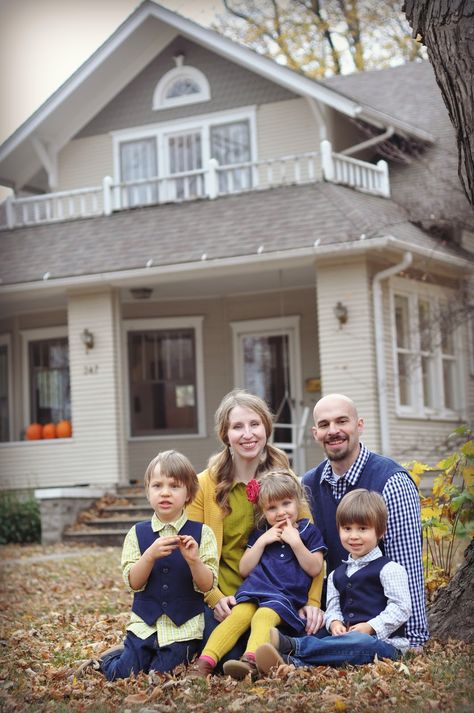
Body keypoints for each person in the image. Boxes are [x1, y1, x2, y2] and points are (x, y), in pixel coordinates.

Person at [186, 389, 325, 671]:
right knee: (226, 652)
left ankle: (267, 659)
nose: (247, 434)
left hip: (280, 594)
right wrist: (215, 598)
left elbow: (311, 544)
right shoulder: (204, 485)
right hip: (227, 595)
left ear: (266, 428)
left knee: (305, 638)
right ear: (225, 434)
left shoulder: (286, 483)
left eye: (254, 424)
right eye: (237, 427)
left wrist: (312, 601)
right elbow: (191, 552)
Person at [301, 393, 428, 649]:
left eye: (342, 421)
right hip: (336, 620)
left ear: (359, 425)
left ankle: (295, 651)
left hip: (382, 626)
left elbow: (407, 566)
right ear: (316, 433)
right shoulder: (309, 486)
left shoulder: (392, 482)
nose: (333, 431)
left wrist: (414, 639)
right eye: (324, 425)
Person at [255, 489, 412, 674]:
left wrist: (370, 627)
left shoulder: (389, 569)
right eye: (347, 529)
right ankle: (290, 663)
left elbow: (401, 608)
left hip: (384, 645)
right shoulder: (336, 573)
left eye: (363, 529)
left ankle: (293, 646)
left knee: (361, 643)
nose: (353, 536)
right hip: (344, 640)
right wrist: (335, 623)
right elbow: (333, 608)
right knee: (324, 637)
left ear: (381, 531)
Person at [190, 469, 326, 679]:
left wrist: (295, 542)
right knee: (238, 616)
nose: (280, 512)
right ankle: (204, 664)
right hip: (255, 589)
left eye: (286, 504)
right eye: (272, 508)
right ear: (263, 511)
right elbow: (245, 568)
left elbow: (315, 568)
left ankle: (251, 661)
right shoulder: (262, 532)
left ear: (298, 502)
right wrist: (262, 541)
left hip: (285, 596)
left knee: (263, 617)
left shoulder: (308, 532)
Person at [98, 450, 218, 680]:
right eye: (157, 486)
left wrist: (194, 561)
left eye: (174, 486)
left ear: (189, 494)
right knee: (123, 674)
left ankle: (142, 659)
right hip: (144, 624)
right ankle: (110, 659)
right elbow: (133, 582)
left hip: (182, 629)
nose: (165, 492)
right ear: (147, 492)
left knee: (160, 676)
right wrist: (149, 557)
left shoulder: (202, 533)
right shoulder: (137, 533)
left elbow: (207, 586)